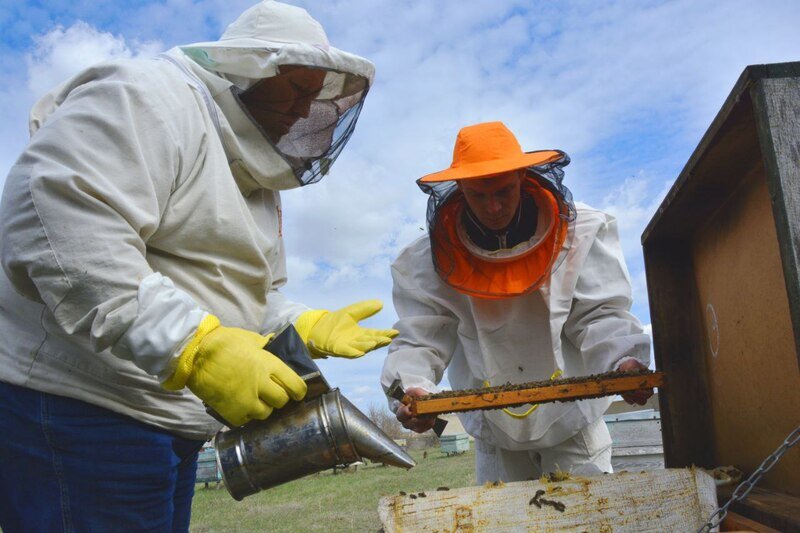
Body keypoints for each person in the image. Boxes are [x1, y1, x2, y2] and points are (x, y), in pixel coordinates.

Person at [0, 1, 397, 531]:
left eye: (316, 98)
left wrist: (299, 324)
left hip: (171, 415)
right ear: (253, 69)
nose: (306, 113)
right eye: (298, 90)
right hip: (82, 406)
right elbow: (59, 216)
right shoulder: (149, 97)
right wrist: (194, 346)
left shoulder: (258, 180)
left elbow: (245, 293)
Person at [381, 121, 652, 483]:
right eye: (479, 195)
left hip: (573, 421)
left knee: (590, 517)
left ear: (523, 177)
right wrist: (411, 387)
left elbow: (599, 314)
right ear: (460, 188)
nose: (493, 207)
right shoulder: (429, 260)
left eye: (505, 191)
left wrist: (624, 360)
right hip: (495, 433)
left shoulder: (579, 232)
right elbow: (422, 337)